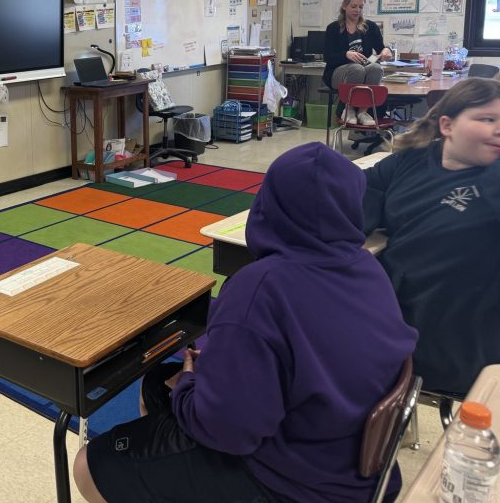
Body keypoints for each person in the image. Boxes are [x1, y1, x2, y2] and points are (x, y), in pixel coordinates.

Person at [73, 142, 417, 503]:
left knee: (90, 462)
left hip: (292, 483)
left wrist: (191, 381)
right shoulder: (368, 268)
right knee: (158, 386)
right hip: (355, 464)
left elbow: (227, 431)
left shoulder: (261, 287)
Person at [363, 77, 500, 397]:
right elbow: (356, 193)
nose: (498, 129)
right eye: (487, 119)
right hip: (390, 326)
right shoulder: (411, 161)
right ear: (447, 125)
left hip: (458, 350)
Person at [322, 0, 392, 125]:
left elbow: (381, 48)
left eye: (360, 7)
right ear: (344, 6)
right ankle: (348, 110)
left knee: (376, 68)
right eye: (353, 6)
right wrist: (346, 54)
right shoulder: (333, 28)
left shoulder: (370, 27)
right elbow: (328, 57)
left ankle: (362, 112)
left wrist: (385, 50)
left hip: (363, 68)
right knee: (357, 69)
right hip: (337, 72)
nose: (357, 10)